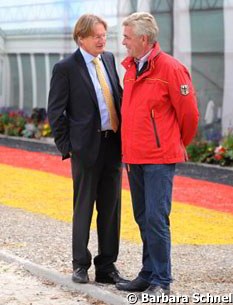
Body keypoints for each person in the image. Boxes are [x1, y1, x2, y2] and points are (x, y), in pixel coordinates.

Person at [116, 12, 199, 296]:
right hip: (134, 157)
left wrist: (170, 144)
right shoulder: (129, 68)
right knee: (143, 217)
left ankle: (162, 281)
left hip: (158, 159)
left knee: (156, 218)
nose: (123, 42)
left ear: (143, 39)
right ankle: (148, 273)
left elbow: (190, 116)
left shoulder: (172, 69)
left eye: (127, 37)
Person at [48, 14, 126, 285]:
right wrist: (69, 148)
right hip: (85, 149)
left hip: (113, 145)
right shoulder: (65, 68)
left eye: (104, 35)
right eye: (96, 36)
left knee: (111, 209)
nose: (102, 40)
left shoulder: (109, 60)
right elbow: (56, 112)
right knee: (83, 208)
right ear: (81, 38)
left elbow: (117, 96)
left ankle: (106, 266)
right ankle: (80, 264)